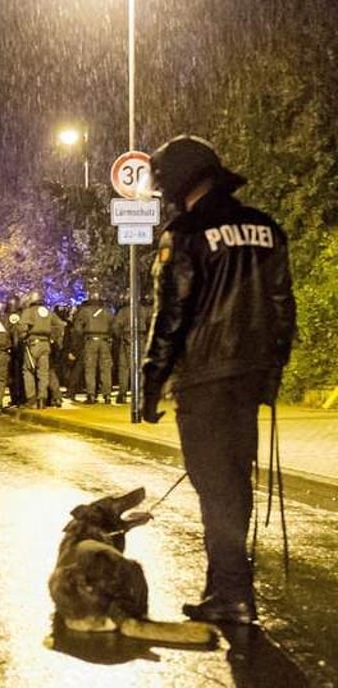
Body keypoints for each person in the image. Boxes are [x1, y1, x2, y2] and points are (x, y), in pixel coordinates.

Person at [142, 135, 296, 626]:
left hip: (205, 377)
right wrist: (270, 374)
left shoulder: (185, 232)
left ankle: (231, 594)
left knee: (216, 487)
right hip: (247, 378)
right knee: (234, 481)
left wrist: (151, 382)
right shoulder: (265, 228)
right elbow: (281, 306)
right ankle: (225, 586)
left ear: (179, 179)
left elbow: (172, 317)